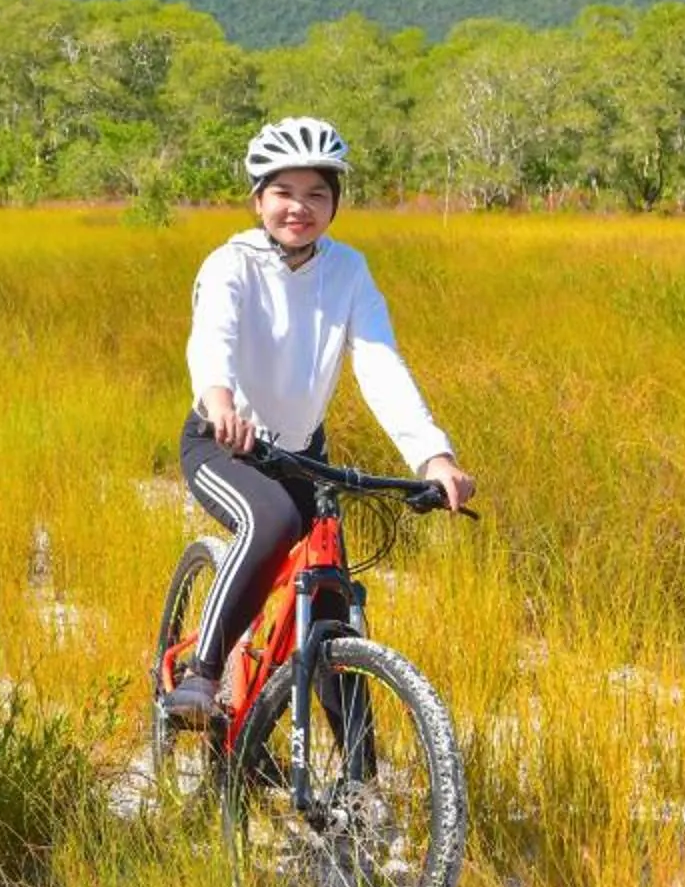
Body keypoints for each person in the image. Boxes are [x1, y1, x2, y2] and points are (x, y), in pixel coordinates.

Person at [161, 116, 474, 726]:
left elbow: (381, 364)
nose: (299, 208)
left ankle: (359, 790)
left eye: (317, 194)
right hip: (224, 443)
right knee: (271, 519)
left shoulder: (348, 270)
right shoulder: (231, 265)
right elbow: (213, 340)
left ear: (336, 203)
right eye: (283, 192)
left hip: (304, 453)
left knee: (331, 603)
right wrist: (220, 401)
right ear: (257, 199)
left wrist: (433, 456)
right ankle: (201, 674)